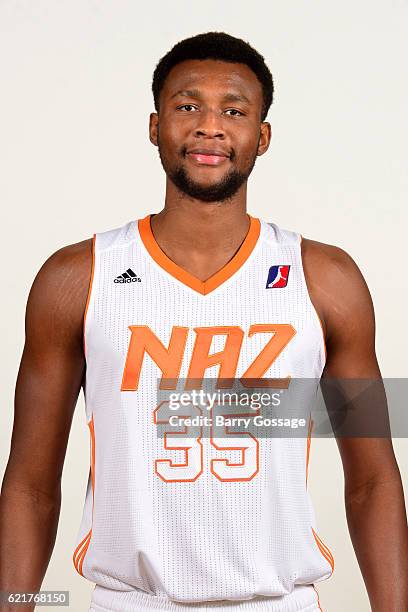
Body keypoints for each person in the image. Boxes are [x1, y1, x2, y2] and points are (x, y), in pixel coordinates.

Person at [0, 31, 407, 612]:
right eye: (187, 105)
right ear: (154, 125)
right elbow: (30, 488)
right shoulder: (76, 279)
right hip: (128, 600)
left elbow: (373, 481)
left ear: (261, 137)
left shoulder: (326, 280)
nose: (209, 126)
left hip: (278, 601)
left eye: (234, 110)